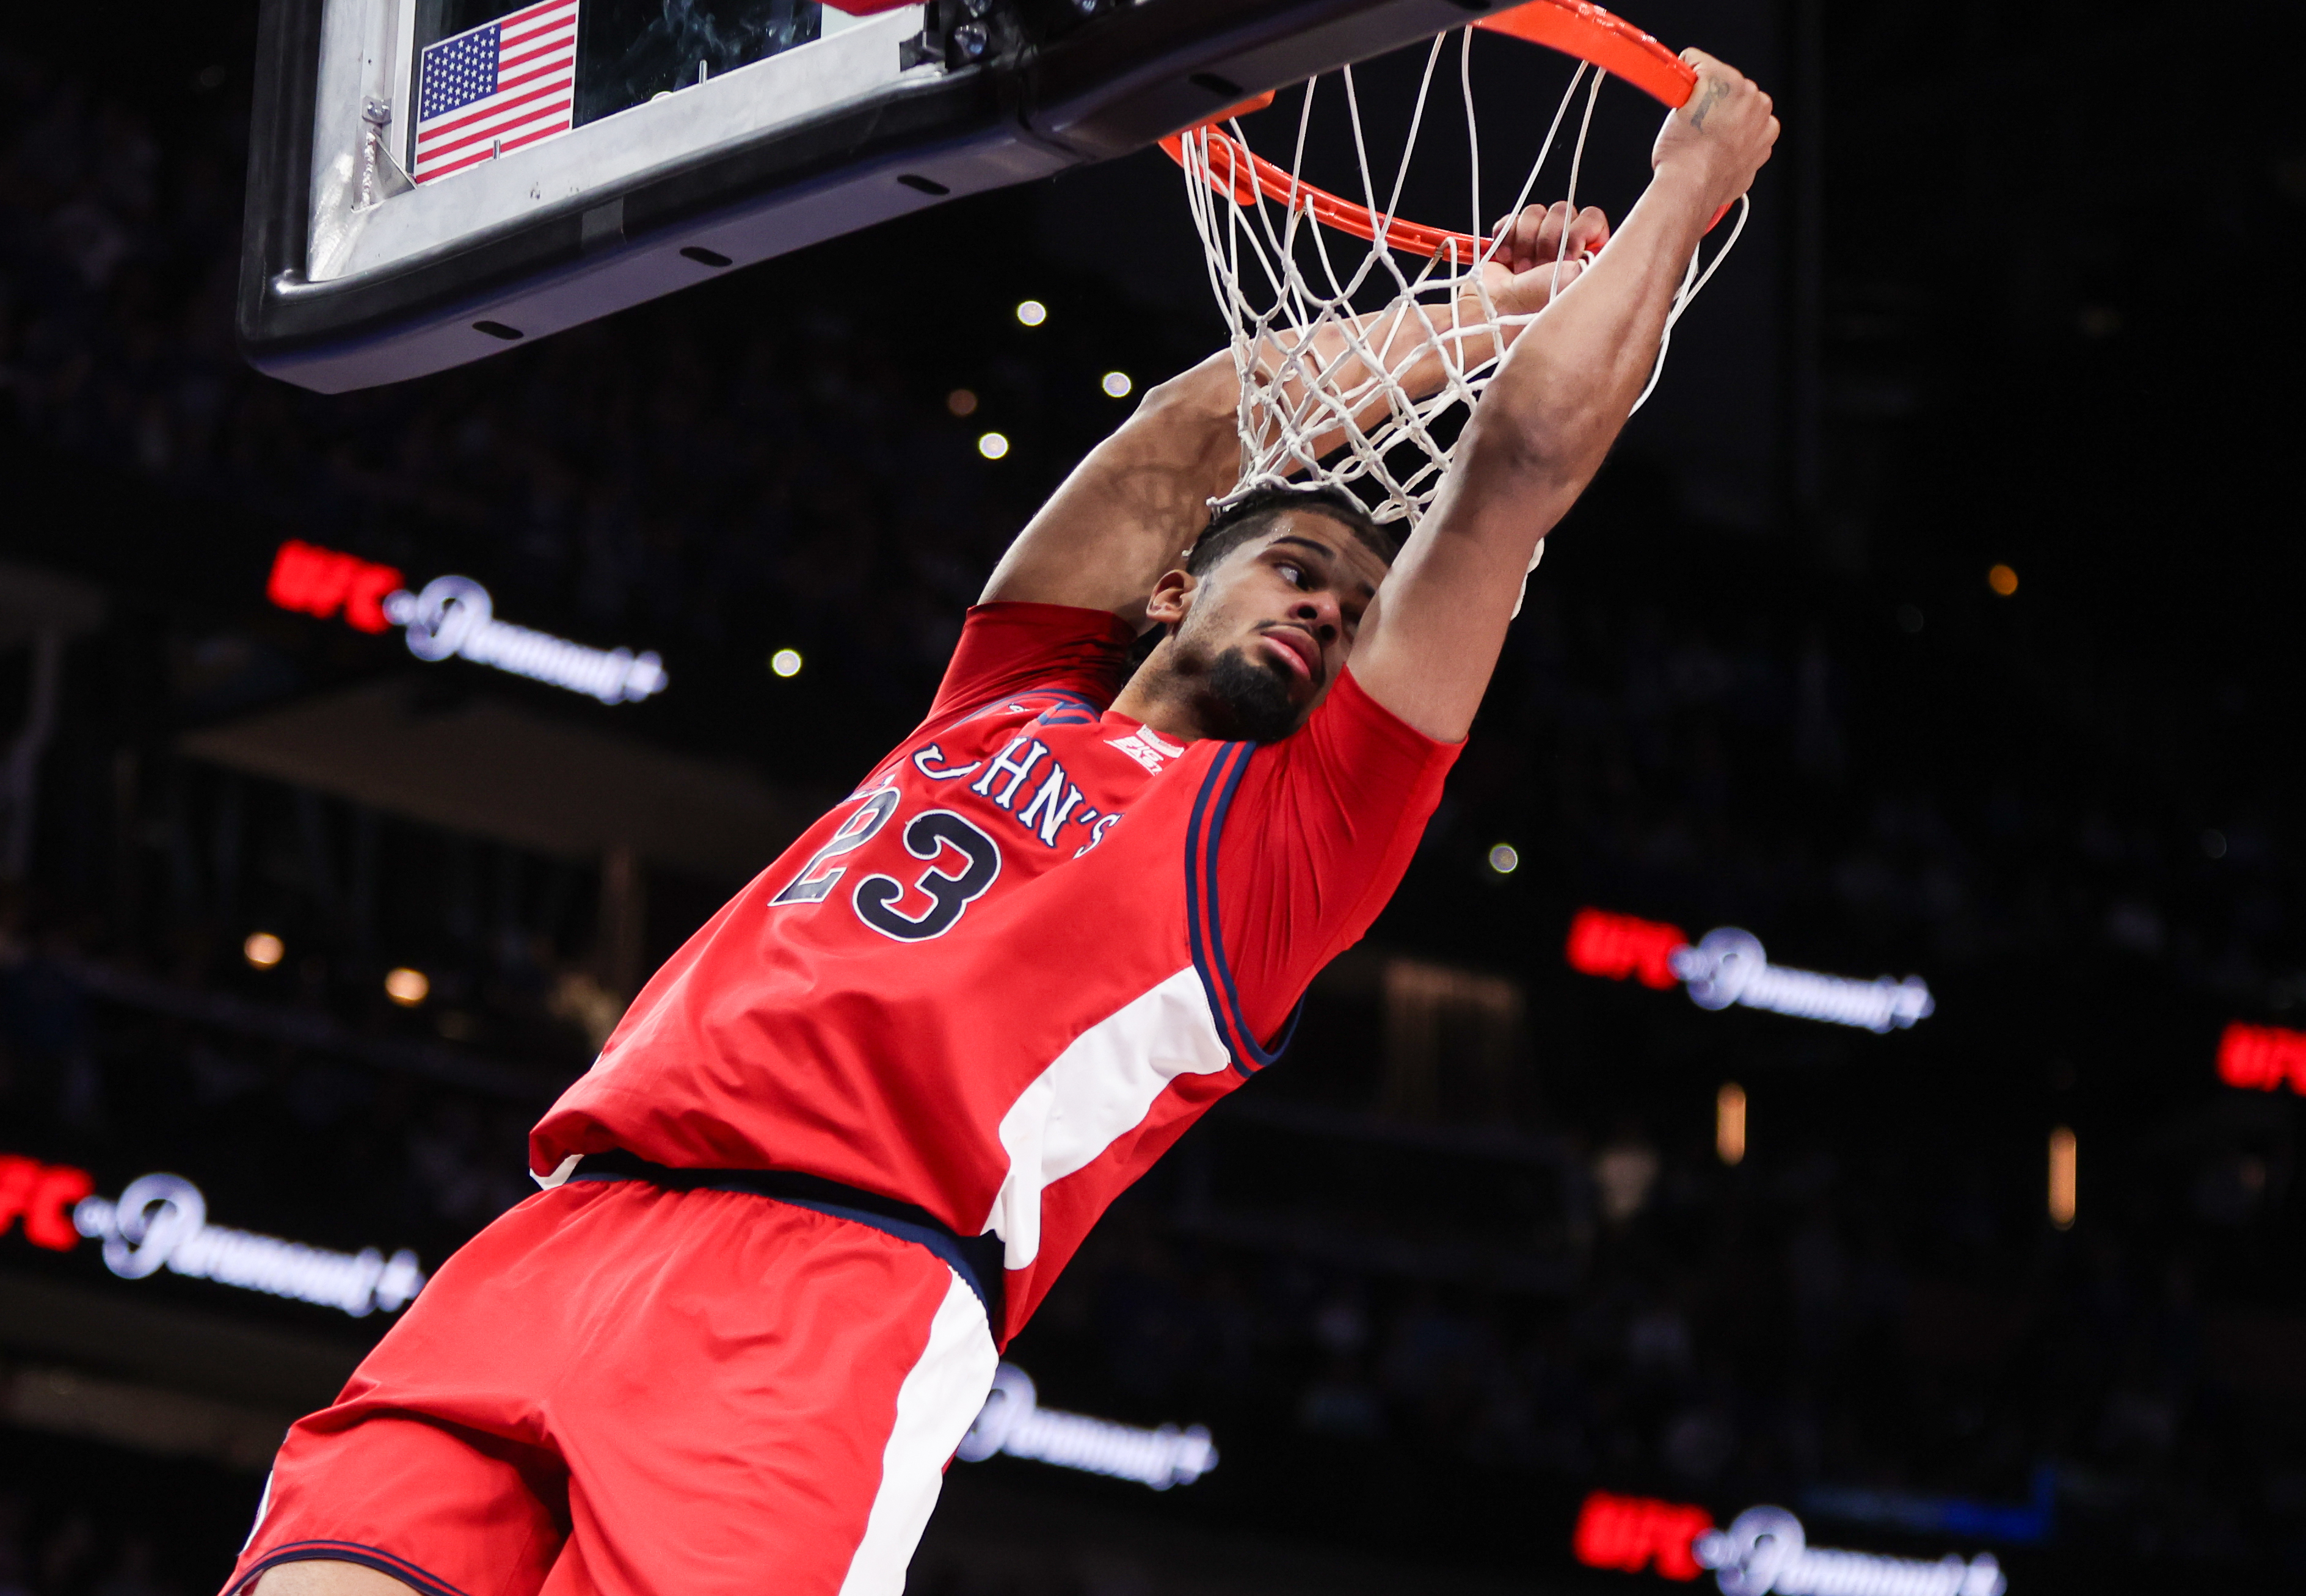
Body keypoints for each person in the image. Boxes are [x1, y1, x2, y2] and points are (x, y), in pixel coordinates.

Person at [227, 53, 1777, 1596]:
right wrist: (1476, 314)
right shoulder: (1006, 688)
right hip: (573, 1218)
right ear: (1171, 590)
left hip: (827, 1293)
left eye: (1359, 608)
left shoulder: (1289, 847)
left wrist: (1683, 194)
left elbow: (1512, 473)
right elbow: (1194, 429)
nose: (1329, 605)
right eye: (1300, 565)